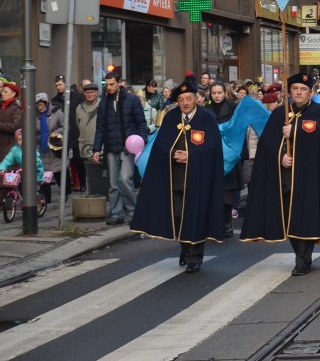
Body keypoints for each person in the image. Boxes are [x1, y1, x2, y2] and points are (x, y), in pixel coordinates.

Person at [240, 72, 320, 276]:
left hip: (309, 176)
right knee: (290, 215)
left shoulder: (319, 111)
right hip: (286, 175)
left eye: (303, 89)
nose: (299, 93)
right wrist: (281, 157)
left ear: (311, 92)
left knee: (306, 215)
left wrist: (295, 130)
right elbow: (267, 143)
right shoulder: (280, 113)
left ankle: (303, 258)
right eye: (295, 89)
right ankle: (300, 253)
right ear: (289, 92)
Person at [130, 75, 225, 273]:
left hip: (198, 178)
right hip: (176, 178)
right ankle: (185, 247)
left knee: (196, 215)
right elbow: (161, 146)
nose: (185, 103)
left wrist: (192, 155)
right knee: (179, 215)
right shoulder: (171, 118)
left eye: (188, 99)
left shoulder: (206, 118)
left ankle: (195, 256)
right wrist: (173, 153)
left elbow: (213, 147)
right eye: (181, 100)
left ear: (196, 98)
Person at [92, 71, 148, 225]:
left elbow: (141, 123)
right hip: (110, 146)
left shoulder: (132, 100)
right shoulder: (104, 103)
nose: (108, 87)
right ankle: (117, 213)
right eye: (106, 84)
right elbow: (100, 128)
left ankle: (132, 210)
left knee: (125, 179)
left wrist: (141, 141)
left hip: (127, 147)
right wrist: (96, 148)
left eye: (111, 84)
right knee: (113, 184)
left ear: (118, 83)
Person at [207, 81, 242, 237]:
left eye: (219, 92)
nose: (216, 96)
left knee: (227, 193)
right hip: (213, 154)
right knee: (214, 192)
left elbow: (239, 128)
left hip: (229, 154)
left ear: (224, 92)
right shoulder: (205, 110)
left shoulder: (233, 107)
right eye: (213, 93)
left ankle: (227, 223)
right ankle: (215, 224)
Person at [0, 82, 22, 209]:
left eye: (5, 92)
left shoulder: (15, 109)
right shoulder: (0, 107)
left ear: (13, 94)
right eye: (2, 91)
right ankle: (4, 200)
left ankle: (8, 200)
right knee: (2, 174)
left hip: (10, 145)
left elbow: (15, 126)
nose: (2, 94)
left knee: (9, 174)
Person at [35, 92, 66, 203]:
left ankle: (65, 193)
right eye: (38, 105)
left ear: (47, 103)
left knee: (58, 171)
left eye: (42, 104)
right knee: (44, 174)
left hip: (55, 147)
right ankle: (45, 198)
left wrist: (55, 133)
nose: (40, 107)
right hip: (42, 148)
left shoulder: (57, 113)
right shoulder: (34, 116)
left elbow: (65, 126)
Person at [75, 83, 102, 194]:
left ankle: (99, 193)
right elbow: (78, 124)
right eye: (87, 92)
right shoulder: (79, 108)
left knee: (98, 173)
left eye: (92, 92)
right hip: (84, 146)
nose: (90, 94)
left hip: (99, 146)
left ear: (96, 93)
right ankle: (88, 193)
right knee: (86, 172)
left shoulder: (103, 105)